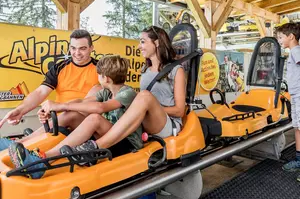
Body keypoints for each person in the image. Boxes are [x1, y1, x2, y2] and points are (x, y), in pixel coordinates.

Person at [9, 26, 186, 178]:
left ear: (156, 43)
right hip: (140, 122)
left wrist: (140, 108)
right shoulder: (145, 70)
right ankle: (28, 149)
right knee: (76, 113)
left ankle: (94, 148)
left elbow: (180, 110)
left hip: (167, 125)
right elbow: (88, 102)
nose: (139, 46)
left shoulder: (176, 71)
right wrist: (56, 107)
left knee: (144, 97)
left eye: (142, 41)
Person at [9, 55, 143, 179]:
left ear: (106, 78)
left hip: (126, 143)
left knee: (94, 118)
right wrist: (56, 106)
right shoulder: (106, 92)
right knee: (71, 114)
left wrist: (61, 106)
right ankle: (23, 143)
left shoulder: (128, 92)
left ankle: (42, 161)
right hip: (110, 137)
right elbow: (82, 102)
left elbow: (100, 108)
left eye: (98, 75)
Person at [0, 29, 100, 150]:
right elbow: (40, 92)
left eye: (82, 48)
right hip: (58, 122)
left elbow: (94, 102)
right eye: (73, 48)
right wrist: (20, 110)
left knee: (70, 114)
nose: (77, 53)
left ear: (91, 48)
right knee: (58, 117)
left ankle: (19, 144)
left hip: (84, 123)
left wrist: (59, 106)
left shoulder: (101, 70)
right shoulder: (59, 67)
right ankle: (25, 145)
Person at [276, 23, 300, 172]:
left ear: (291, 36)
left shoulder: (296, 50)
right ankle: (299, 160)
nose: (279, 40)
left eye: (280, 37)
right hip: (296, 95)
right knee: (297, 128)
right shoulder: (293, 52)